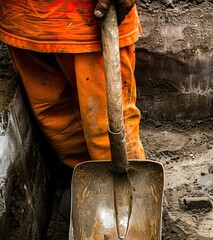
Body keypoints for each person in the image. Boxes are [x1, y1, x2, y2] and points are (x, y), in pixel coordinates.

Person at [0, 0, 146, 169]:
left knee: (107, 125)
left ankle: (126, 187)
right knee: (60, 122)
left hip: (88, 20)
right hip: (25, 20)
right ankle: (87, 182)